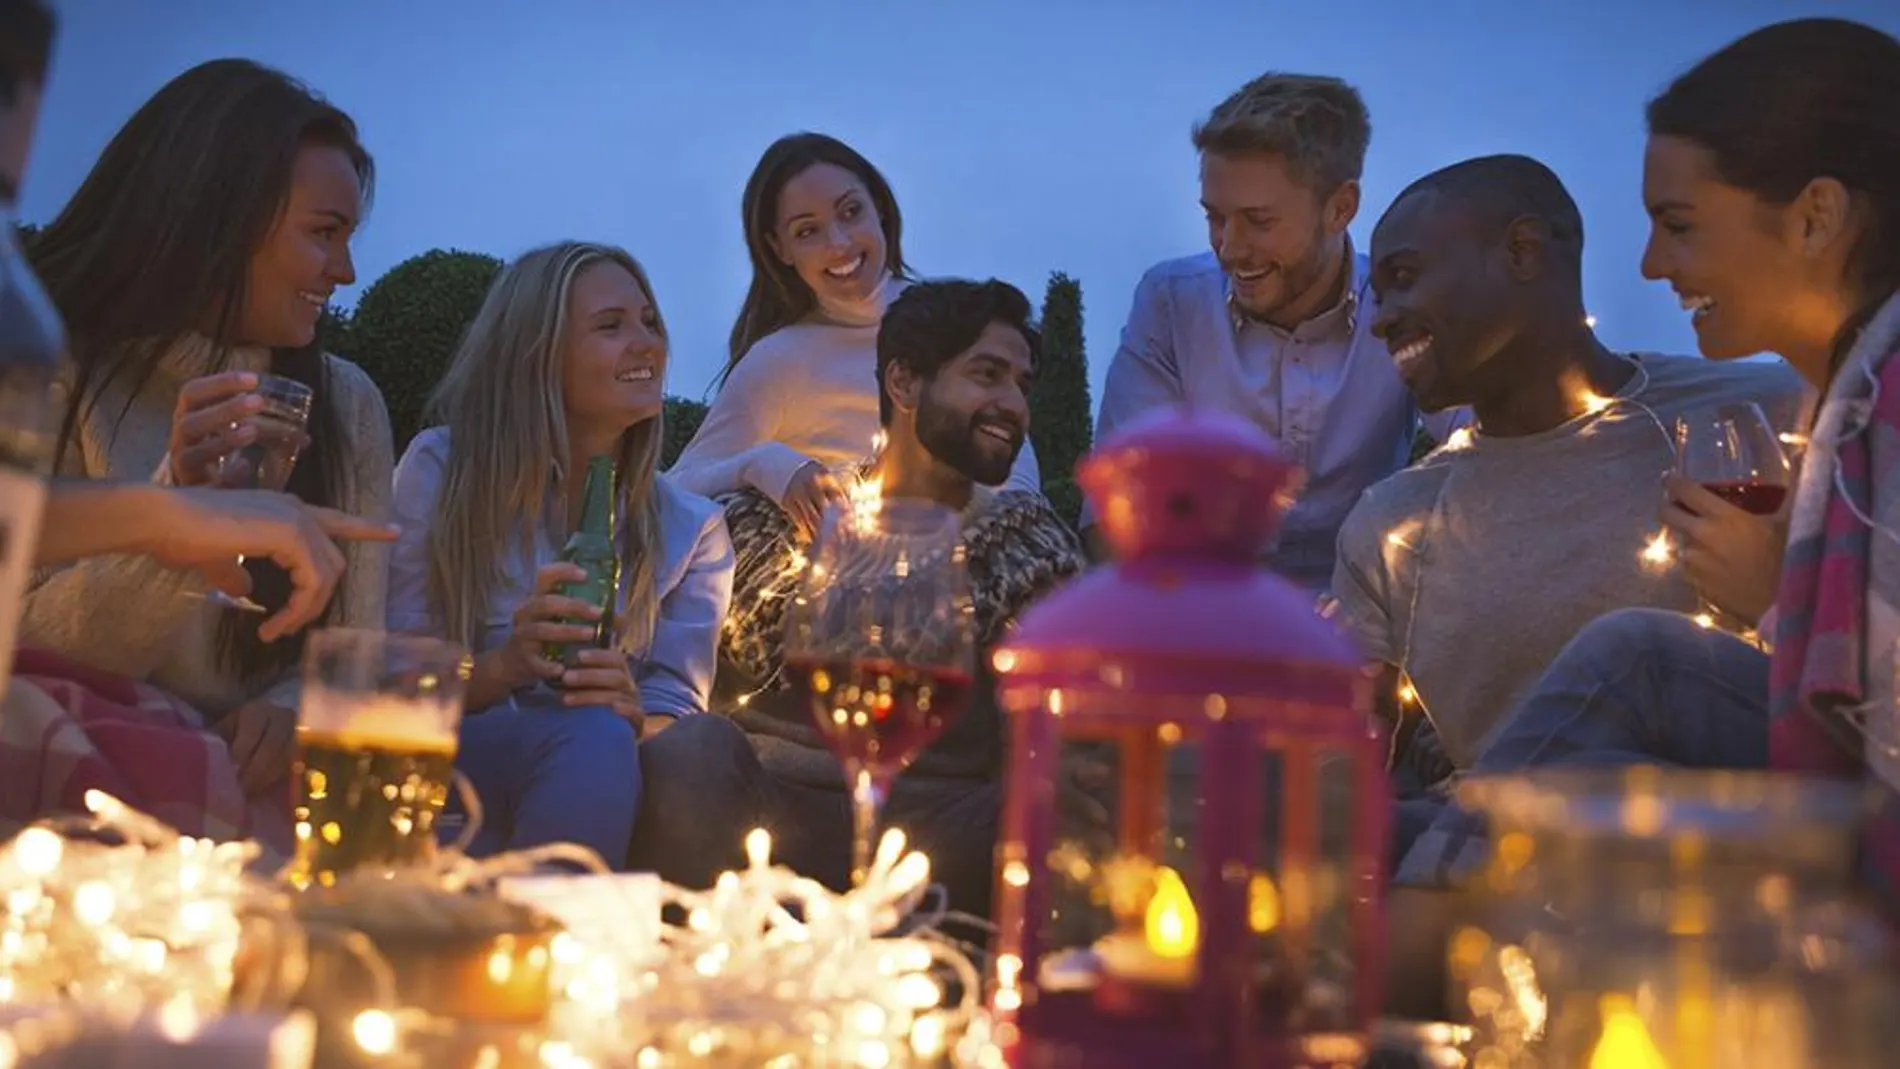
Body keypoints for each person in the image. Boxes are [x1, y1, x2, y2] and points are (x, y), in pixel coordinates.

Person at [1392, 18, 1900, 896]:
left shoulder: (1875, 415)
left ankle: (1409, 952)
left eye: (1680, 224)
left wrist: (1776, 601)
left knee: (1638, 663)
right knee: (1420, 816)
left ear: (1816, 217)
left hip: (1863, 873)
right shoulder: (1842, 402)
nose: (1652, 262)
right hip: (1824, 796)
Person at [1331, 155, 1801, 794]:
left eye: (1405, 277)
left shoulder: (1761, 420)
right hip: (1493, 880)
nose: (1383, 319)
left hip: (1739, 855)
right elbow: (1339, 778)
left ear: (1524, 252)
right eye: (1378, 297)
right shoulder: (1392, 524)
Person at [632, 278, 1084, 916]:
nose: (1012, 404)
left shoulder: (1026, 541)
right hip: (762, 822)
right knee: (690, 750)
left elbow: (1058, 724)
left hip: (935, 836)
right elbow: (648, 535)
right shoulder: (782, 516)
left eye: (1022, 385)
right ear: (902, 384)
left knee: (1055, 799)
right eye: (987, 375)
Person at [22, 58, 392, 797]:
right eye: (325, 232)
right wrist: (173, 526)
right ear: (219, 217)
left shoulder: (346, 405)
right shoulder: (50, 368)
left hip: (251, 782)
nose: (346, 269)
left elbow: (359, 651)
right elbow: (25, 654)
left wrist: (294, 710)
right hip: (82, 764)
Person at [386, 241, 733, 865]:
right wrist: (505, 666)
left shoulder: (694, 529)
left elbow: (677, 717)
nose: (647, 343)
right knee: (587, 742)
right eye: (611, 326)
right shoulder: (442, 470)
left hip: (602, 768)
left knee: (604, 734)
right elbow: (389, 681)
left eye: (650, 322)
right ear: (536, 352)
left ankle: (541, 938)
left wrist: (632, 712)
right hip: (451, 762)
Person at [1091, 72, 1462, 587]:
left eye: (1259, 221)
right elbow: (1118, 507)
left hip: (1373, 622)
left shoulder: (1398, 306)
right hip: (1199, 618)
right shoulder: (1171, 303)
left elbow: (1486, 445)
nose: (1229, 248)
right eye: (1215, 217)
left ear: (1341, 208)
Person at [670, 132, 1042, 537]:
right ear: (780, 249)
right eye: (807, 231)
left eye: (850, 212)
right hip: (843, 585)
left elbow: (1016, 470)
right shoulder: (779, 361)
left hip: (980, 570)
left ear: (879, 207)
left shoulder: (960, 320)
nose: (839, 244)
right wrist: (763, 464)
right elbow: (675, 487)